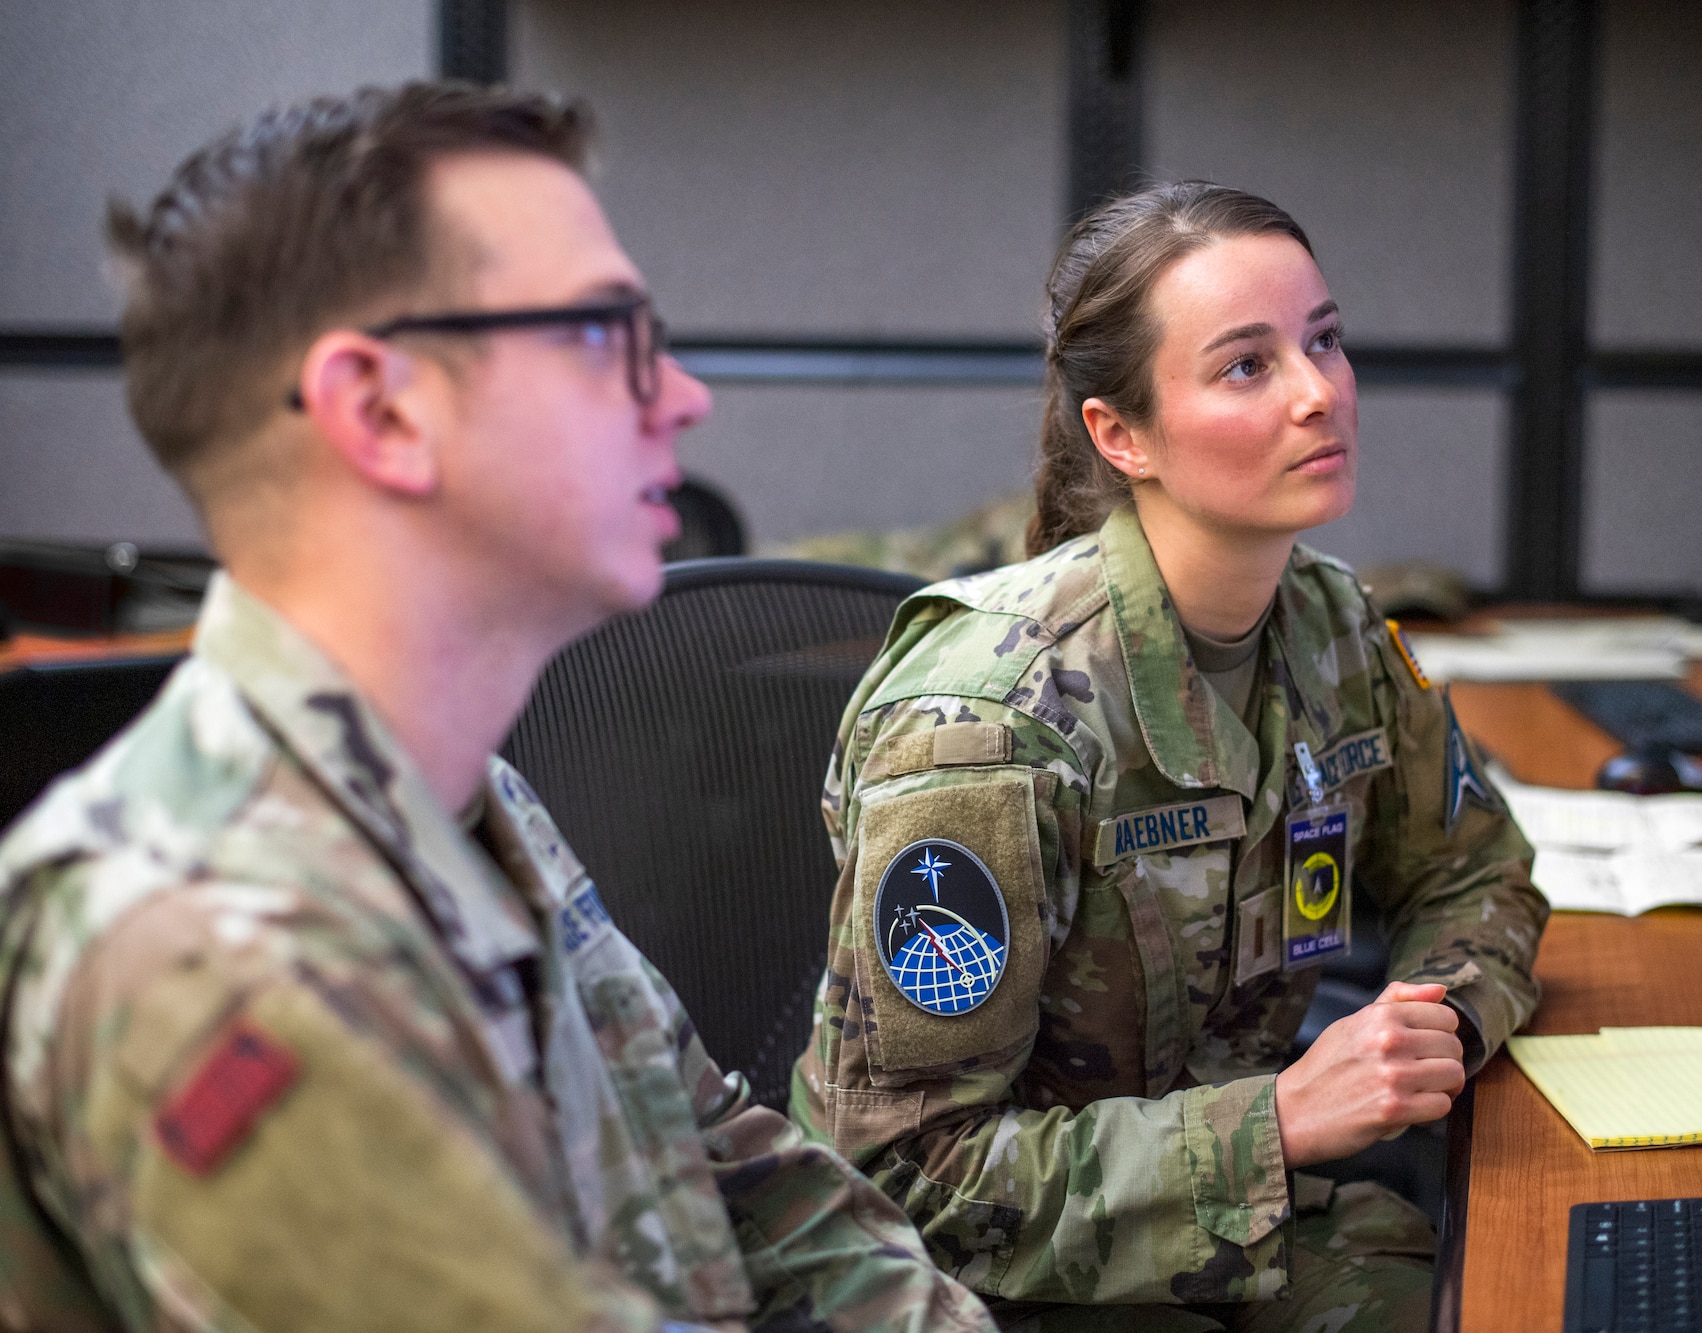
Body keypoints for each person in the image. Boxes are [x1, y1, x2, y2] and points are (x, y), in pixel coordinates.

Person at [0, 82, 995, 1333]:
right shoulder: (210, 951)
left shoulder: (468, 795)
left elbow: (735, 1171)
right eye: (604, 331)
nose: (681, 395)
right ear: (381, 411)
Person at [791, 182, 1550, 1331]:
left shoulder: (1330, 627)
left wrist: (1426, 1025)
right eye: (1246, 365)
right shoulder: (990, 731)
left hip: (1226, 1215)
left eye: (1324, 340)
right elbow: (898, 1176)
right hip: (985, 1283)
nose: (1317, 394)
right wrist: (1281, 1122)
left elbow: (1472, 871)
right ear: (1120, 433)